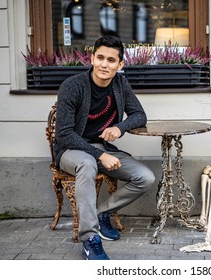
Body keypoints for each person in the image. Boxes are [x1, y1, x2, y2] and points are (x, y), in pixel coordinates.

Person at [54, 35, 155, 260]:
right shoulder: (72, 86)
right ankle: (90, 239)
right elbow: (64, 134)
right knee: (88, 163)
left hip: (102, 148)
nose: (104, 64)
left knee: (145, 177)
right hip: (70, 150)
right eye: (100, 58)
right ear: (91, 59)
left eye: (111, 60)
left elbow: (140, 115)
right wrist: (100, 155)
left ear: (120, 65)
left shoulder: (120, 83)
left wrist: (120, 127)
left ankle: (100, 215)